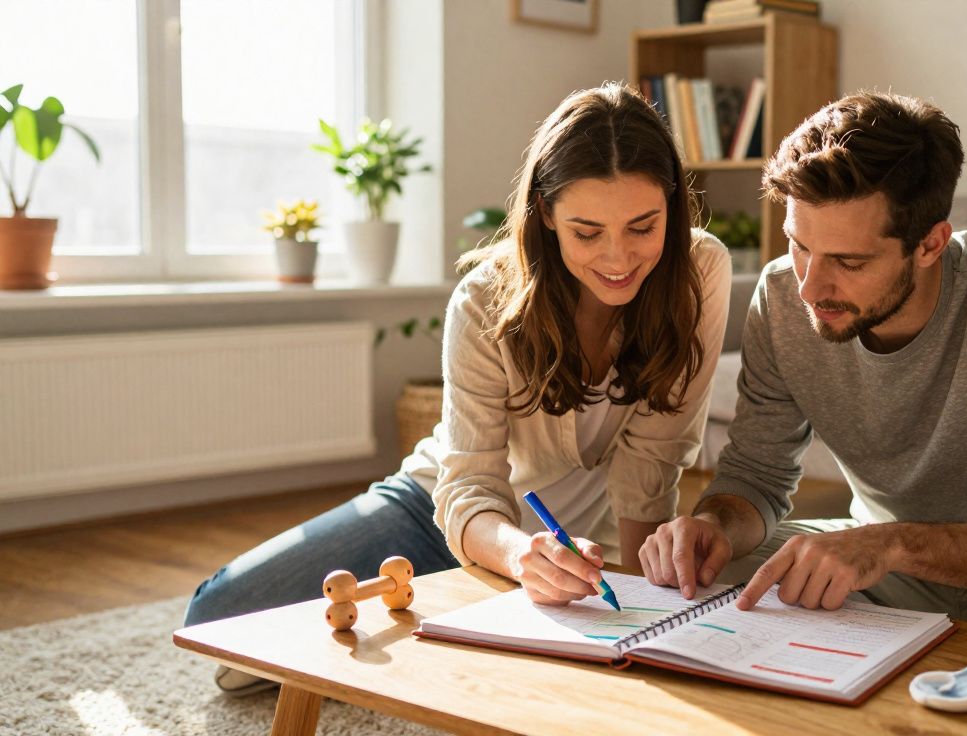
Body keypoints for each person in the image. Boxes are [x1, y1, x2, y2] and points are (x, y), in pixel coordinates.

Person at [184, 83, 731, 693]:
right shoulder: (485, 301)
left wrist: (639, 606)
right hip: (445, 517)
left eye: (642, 227)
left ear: (672, 209)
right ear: (546, 215)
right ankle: (432, 608)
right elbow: (468, 484)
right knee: (217, 618)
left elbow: (654, 455)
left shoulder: (697, 271)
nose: (618, 257)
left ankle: (441, 612)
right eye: (586, 232)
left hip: (574, 551)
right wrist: (519, 558)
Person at [638, 91, 967, 650]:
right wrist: (714, 528)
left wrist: (888, 545)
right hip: (885, 565)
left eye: (850, 261)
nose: (811, 286)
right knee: (717, 587)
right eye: (799, 246)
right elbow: (756, 481)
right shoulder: (783, 296)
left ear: (931, 243)